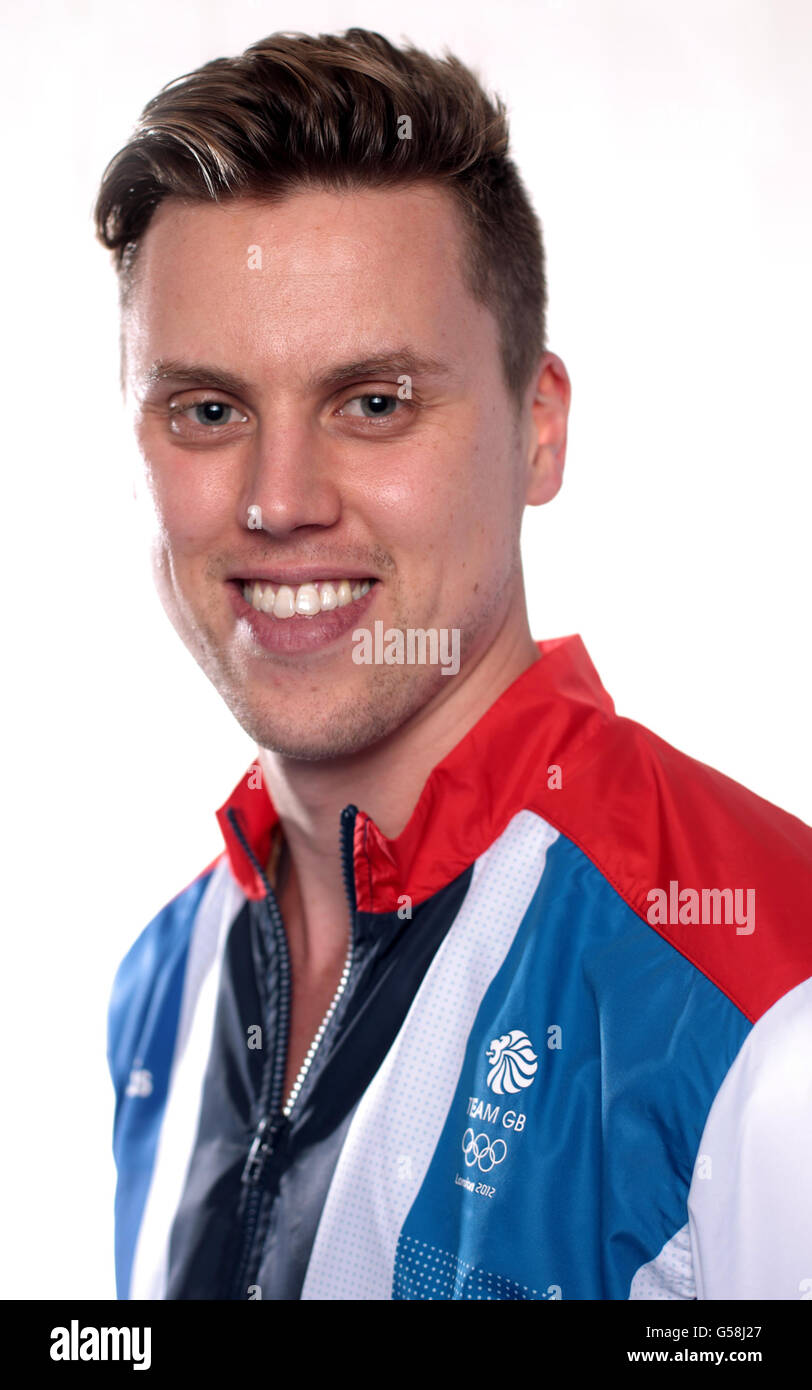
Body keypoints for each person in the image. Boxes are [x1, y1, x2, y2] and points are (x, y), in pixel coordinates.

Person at [95, 26, 812, 1302]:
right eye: (208, 409)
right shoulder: (164, 977)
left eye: (373, 402)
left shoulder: (767, 988)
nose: (278, 501)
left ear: (539, 431)